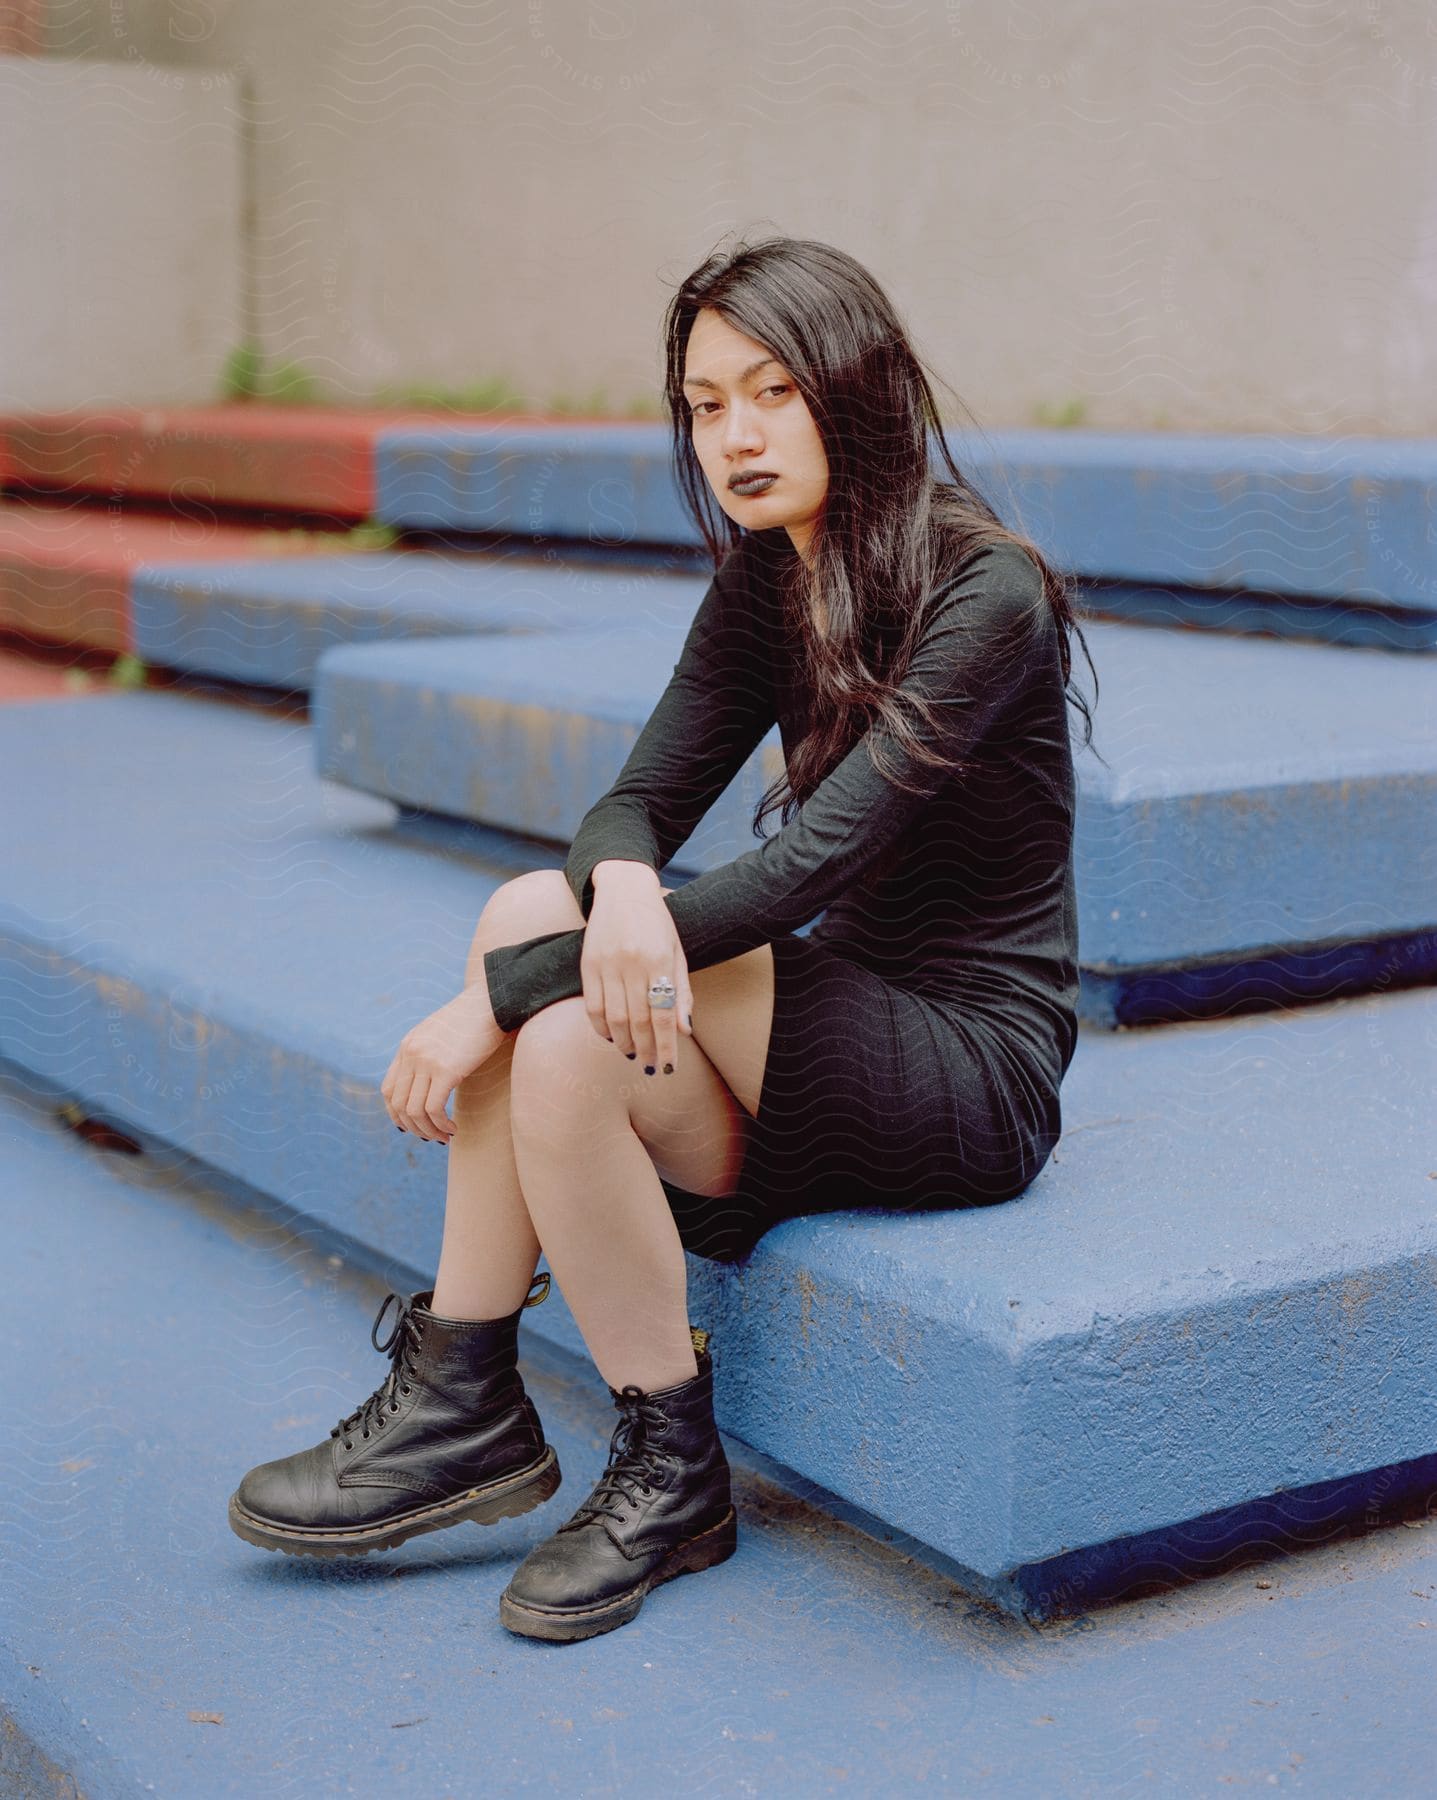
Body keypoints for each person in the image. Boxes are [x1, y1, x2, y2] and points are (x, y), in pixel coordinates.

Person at [228, 234, 1099, 1645]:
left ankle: (564, 1427)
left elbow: (807, 869)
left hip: (961, 1069)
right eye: (703, 405)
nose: (735, 437)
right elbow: (634, 800)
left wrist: (490, 1006)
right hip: (818, 1043)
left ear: (858, 392)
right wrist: (621, 888)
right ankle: (517, 1406)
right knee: (544, 927)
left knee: (542, 988)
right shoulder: (771, 575)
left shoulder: (980, 590)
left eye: (772, 392)